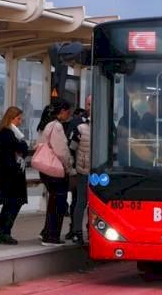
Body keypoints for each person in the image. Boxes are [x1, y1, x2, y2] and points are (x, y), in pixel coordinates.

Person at [36, 97, 74, 246]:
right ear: (63, 111)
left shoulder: (46, 124)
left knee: (53, 201)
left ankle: (47, 232)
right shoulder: (56, 126)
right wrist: (69, 167)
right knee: (58, 202)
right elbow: (61, 151)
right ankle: (52, 236)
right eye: (68, 112)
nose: (68, 115)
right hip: (56, 170)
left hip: (46, 170)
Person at [0, 106, 29, 245]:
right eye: (18, 118)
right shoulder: (6, 133)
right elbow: (22, 147)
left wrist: (22, 147)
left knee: (13, 203)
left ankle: (3, 231)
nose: (20, 122)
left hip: (14, 173)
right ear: (11, 118)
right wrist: (21, 146)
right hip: (10, 174)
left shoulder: (13, 132)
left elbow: (23, 149)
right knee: (11, 203)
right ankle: (3, 232)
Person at [66, 95, 92, 244]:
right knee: (81, 201)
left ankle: (91, 229)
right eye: (88, 104)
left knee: (95, 203)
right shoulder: (78, 124)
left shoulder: (104, 122)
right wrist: (74, 167)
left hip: (99, 171)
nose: (90, 107)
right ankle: (76, 231)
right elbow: (71, 148)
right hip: (83, 170)